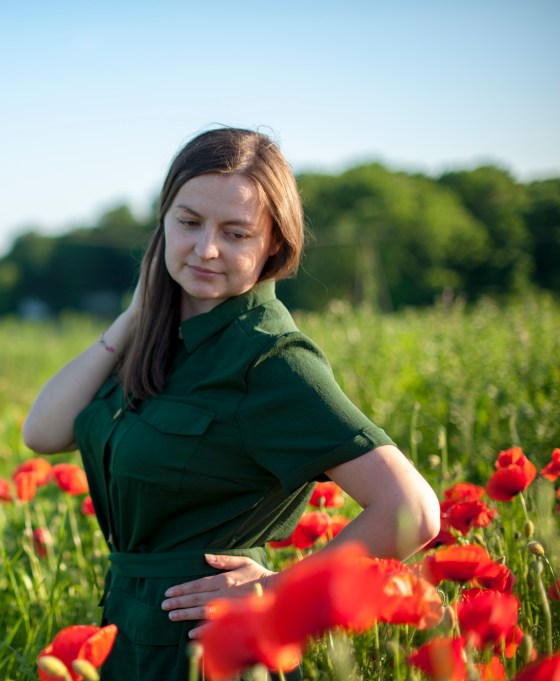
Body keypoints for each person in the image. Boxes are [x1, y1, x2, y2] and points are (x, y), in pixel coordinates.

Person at [22, 127, 440, 680]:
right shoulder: (155, 338)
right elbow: (43, 432)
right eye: (189, 222)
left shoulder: (271, 359)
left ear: (273, 244)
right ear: (163, 221)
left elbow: (412, 510)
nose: (206, 249)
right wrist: (134, 316)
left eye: (236, 232)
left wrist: (275, 591)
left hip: (206, 645)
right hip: (130, 633)